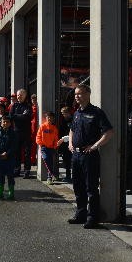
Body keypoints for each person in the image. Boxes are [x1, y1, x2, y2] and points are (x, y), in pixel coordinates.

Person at [68, 84, 114, 229]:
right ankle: (80, 214)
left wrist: (94, 146)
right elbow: (72, 130)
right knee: (77, 186)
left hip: (89, 156)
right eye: (75, 94)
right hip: (75, 155)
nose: (77, 96)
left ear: (88, 94)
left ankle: (92, 217)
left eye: (80, 94)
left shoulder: (96, 112)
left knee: (91, 188)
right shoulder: (76, 113)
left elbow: (109, 132)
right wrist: (70, 143)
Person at [0, 114, 18, 200]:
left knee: (10, 175)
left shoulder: (13, 133)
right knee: (0, 175)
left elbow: (14, 146)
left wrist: (7, 154)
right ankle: (0, 191)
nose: (5, 123)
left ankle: (11, 192)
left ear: (10, 123)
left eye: (7, 122)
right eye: (4, 122)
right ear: (1, 122)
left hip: (10, 158)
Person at [10, 89, 33, 178]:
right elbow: (11, 116)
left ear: (25, 95)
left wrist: (17, 116)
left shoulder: (28, 106)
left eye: (21, 95)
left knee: (27, 153)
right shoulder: (14, 105)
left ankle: (27, 171)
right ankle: (17, 170)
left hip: (26, 132)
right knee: (16, 152)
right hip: (16, 132)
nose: (19, 96)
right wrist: (21, 116)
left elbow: (27, 117)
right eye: (18, 95)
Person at [35, 111, 60, 184]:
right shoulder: (42, 126)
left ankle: (49, 177)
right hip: (44, 147)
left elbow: (56, 138)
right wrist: (41, 144)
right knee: (46, 159)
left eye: (51, 117)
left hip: (52, 148)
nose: (49, 118)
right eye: (48, 117)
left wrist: (55, 146)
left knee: (51, 162)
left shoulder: (54, 128)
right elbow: (38, 136)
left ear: (53, 119)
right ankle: (52, 175)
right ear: (46, 118)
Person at [57, 107, 73, 182]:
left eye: (64, 113)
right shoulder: (62, 120)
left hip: (71, 142)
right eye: (62, 113)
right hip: (64, 143)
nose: (63, 115)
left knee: (70, 160)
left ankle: (70, 176)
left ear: (68, 112)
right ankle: (68, 176)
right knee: (66, 160)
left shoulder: (72, 120)